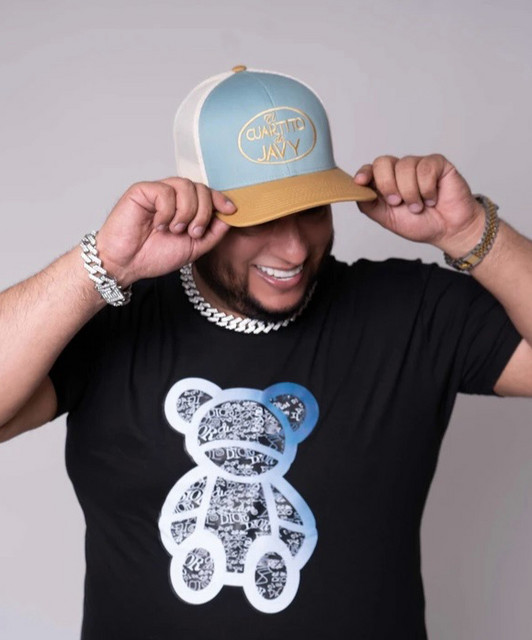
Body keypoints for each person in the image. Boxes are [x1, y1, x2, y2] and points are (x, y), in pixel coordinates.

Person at [1, 65, 531, 639]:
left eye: (312, 209)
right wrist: (102, 265)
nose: (295, 247)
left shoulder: (411, 312)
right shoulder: (113, 320)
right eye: (261, 218)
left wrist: (471, 232)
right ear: (199, 208)